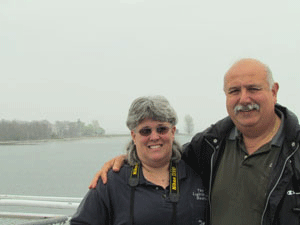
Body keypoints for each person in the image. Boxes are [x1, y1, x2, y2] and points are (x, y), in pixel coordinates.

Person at [89, 58, 300, 225]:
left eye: (253, 88)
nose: (244, 99)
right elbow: (161, 157)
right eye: (234, 91)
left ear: (273, 92)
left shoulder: (295, 150)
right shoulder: (209, 146)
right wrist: (129, 159)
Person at [71, 96, 208, 225]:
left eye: (161, 129)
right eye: (145, 131)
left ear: (172, 132)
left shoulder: (198, 174)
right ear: (134, 136)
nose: (154, 137)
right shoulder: (112, 182)